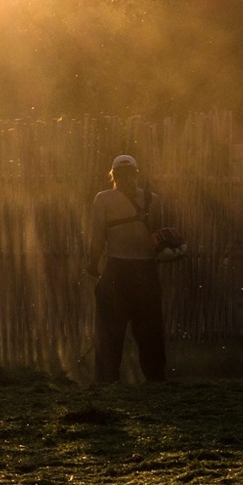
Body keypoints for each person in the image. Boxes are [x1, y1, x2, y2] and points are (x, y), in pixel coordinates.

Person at [86, 154, 166, 383]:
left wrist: (92, 264)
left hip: (116, 272)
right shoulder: (153, 200)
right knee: (150, 329)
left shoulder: (103, 199)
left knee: (109, 330)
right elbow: (156, 239)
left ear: (113, 175)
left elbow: (98, 238)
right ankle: (155, 377)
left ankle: (107, 379)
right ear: (136, 174)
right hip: (145, 273)